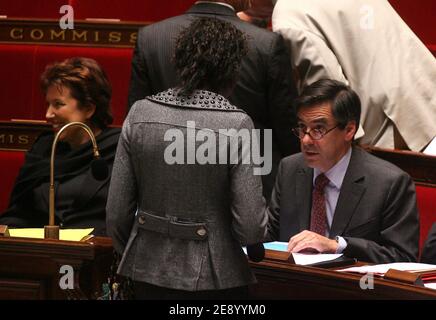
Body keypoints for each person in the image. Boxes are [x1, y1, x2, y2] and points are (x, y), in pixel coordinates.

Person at [106, 17, 268, 300]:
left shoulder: (140, 113)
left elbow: (117, 213)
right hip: (217, 279)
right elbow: (251, 226)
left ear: (180, 61)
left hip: (144, 271)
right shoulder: (237, 124)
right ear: (232, 70)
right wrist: (255, 248)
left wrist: (133, 254)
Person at [127, 0, 300, 199]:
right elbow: (286, 128)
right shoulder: (266, 44)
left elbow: (136, 123)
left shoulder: (151, 38)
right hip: (250, 183)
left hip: (168, 178)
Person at [266, 79, 419, 263]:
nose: (306, 140)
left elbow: (403, 257)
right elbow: (268, 237)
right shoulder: (289, 169)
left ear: (349, 130)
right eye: (302, 128)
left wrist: (337, 245)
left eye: (318, 129)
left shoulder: (389, 183)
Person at [272, 0, 436, 152]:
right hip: (423, 90)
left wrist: (349, 149)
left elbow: (329, 95)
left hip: (388, 122)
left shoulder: (288, 16)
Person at [0, 57, 121, 236]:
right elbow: (19, 213)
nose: (48, 114)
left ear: (89, 108)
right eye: (48, 104)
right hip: (40, 256)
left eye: (58, 104)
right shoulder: (43, 148)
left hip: (96, 256)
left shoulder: (118, 149)